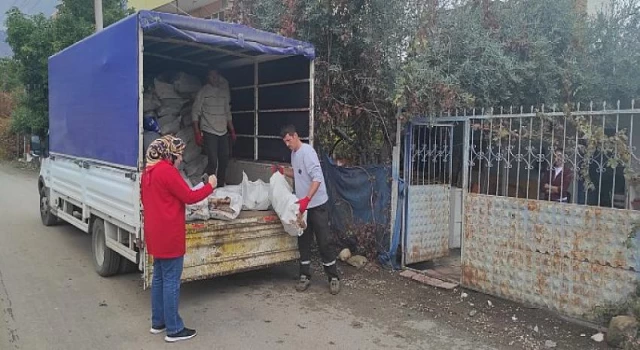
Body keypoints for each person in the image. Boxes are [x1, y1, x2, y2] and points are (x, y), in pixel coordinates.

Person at [141, 135, 217, 343]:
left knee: (158, 278)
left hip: (155, 235)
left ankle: (158, 322)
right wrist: (210, 186)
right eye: (179, 154)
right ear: (169, 154)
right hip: (170, 234)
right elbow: (190, 197)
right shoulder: (167, 172)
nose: (181, 159)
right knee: (171, 281)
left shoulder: (148, 173)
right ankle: (174, 329)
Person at [273, 125, 340, 295]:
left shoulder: (308, 153)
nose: (287, 144)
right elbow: (298, 174)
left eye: (289, 140)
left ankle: (333, 278)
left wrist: (307, 200)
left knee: (324, 241)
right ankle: (304, 276)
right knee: (303, 240)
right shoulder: (294, 154)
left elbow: (317, 179)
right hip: (303, 206)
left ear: (295, 136)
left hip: (316, 205)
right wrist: (282, 171)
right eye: (285, 142)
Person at [192, 69, 236, 187]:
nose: (214, 78)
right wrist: (197, 132)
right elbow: (195, 112)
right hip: (209, 130)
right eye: (212, 76)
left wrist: (232, 130)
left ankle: (220, 185)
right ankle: (206, 186)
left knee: (224, 159)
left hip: (223, 131)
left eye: (216, 76)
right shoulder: (203, 92)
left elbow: (227, 113)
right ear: (208, 77)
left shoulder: (223, 92)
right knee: (213, 161)